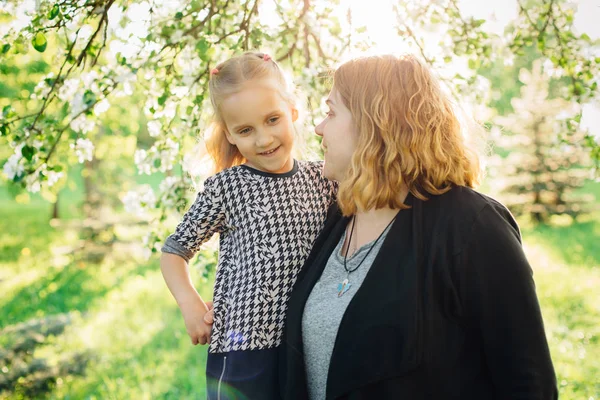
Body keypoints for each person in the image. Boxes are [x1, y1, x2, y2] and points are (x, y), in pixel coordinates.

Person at [280, 54, 557, 400]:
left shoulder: (472, 227)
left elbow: (529, 385)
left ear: (376, 123)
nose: (319, 127)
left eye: (332, 111)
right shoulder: (336, 217)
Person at [160, 51, 337, 400]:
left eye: (273, 119)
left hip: (305, 343)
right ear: (229, 135)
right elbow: (174, 251)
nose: (263, 139)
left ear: (293, 112)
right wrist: (190, 305)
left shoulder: (325, 178)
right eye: (245, 130)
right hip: (243, 347)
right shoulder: (228, 187)